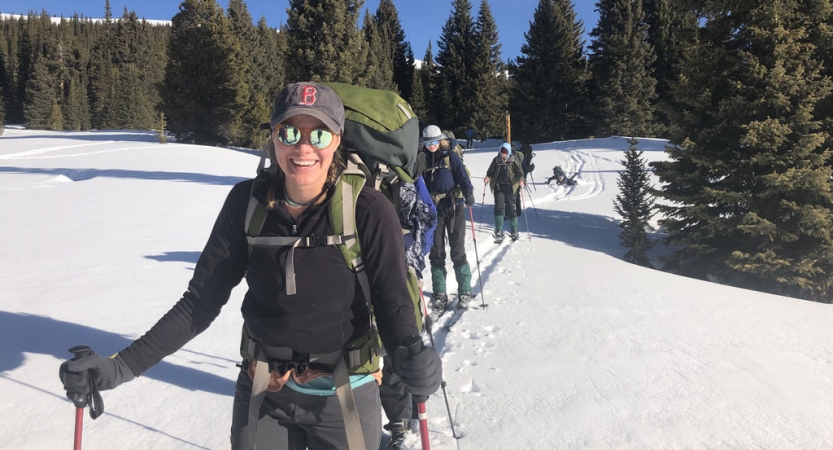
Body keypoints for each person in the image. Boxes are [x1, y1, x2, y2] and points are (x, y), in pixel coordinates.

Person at [57, 82, 442, 450]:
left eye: (319, 135)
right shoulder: (247, 203)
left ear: (338, 139)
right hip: (264, 392)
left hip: (346, 397)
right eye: (289, 133)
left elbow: (392, 301)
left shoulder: (369, 209)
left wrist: (409, 349)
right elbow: (199, 303)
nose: (304, 147)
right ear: (273, 137)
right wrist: (119, 367)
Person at [420, 125, 476, 310]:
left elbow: (462, 177)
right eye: (428, 143)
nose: (431, 146)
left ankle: (465, 290)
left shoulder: (451, 157)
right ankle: (440, 293)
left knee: (457, 249)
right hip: (433, 211)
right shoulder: (422, 160)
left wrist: (468, 193)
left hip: (454, 207)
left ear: (441, 140)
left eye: (434, 142)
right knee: (436, 252)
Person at [484, 142, 525, 241]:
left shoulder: (514, 160)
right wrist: (488, 178)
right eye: (502, 153)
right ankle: (499, 230)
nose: (504, 155)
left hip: (511, 188)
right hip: (499, 188)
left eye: (506, 153)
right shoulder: (496, 160)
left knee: (511, 208)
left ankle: (514, 230)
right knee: (499, 208)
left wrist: (521, 180)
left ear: (509, 152)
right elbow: (490, 172)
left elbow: (520, 173)